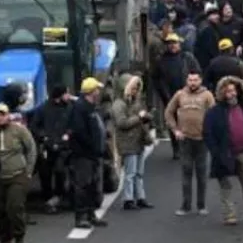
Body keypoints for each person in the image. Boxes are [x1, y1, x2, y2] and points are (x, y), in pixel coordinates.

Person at [203, 74, 243, 226]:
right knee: (226, 186)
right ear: (222, 93)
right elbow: (207, 133)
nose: (231, 94)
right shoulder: (214, 112)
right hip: (224, 153)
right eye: (227, 91)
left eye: (233, 91)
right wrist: (216, 152)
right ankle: (229, 215)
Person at [0, 103, 37, 243]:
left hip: (17, 174)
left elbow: (31, 149)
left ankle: (20, 239)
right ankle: (4, 241)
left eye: (3, 114)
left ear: (8, 115)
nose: (0, 118)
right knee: (1, 210)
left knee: (15, 207)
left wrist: (28, 171)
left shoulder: (19, 130)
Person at [165, 70, 216, 216]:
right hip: (185, 140)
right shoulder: (180, 94)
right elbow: (168, 112)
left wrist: (210, 133)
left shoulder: (207, 95)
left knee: (201, 174)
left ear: (200, 81)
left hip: (202, 140)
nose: (192, 83)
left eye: (195, 80)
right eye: (190, 80)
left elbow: (213, 115)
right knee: (186, 173)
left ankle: (201, 205)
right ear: (187, 81)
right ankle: (185, 206)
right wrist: (175, 130)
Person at [68, 77, 109, 230]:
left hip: (93, 154)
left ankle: (91, 214)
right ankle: (81, 217)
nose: (99, 91)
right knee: (82, 185)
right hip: (83, 155)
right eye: (97, 89)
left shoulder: (91, 107)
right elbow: (79, 132)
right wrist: (92, 146)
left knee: (92, 185)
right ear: (91, 91)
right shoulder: (80, 108)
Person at [152, 32, 200, 159]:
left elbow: (197, 73)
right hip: (170, 96)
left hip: (188, 95)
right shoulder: (161, 60)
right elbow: (156, 79)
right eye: (170, 43)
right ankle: (177, 148)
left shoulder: (187, 58)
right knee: (173, 123)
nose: (172, 45)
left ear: (180, 44)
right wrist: (163, 93)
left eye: (175, 43)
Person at [111, 74, 154, 211]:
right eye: (133, 88)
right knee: (130, 173)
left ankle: (140, 197)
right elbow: (121, 123)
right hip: (128, 142)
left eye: (137, 88)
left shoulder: (136, 102)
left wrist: (147, 117)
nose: (135, 91)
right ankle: (128, 199)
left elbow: (142, 115)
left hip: (138, 140)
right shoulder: (119, 104)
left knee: (139, 173)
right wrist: (139, 118)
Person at [30, 84, 72, 213]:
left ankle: (59, 196)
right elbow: (34, 126)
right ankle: (48, 199)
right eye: (67, 93)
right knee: (45, 174)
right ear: (60, 95)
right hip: (47, 147)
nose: (69, 96)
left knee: (60, 171)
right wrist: (44, 137)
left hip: (63, 147)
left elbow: (73, 124)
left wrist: (68, 134)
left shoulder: (69, 109)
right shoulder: (43, 109)